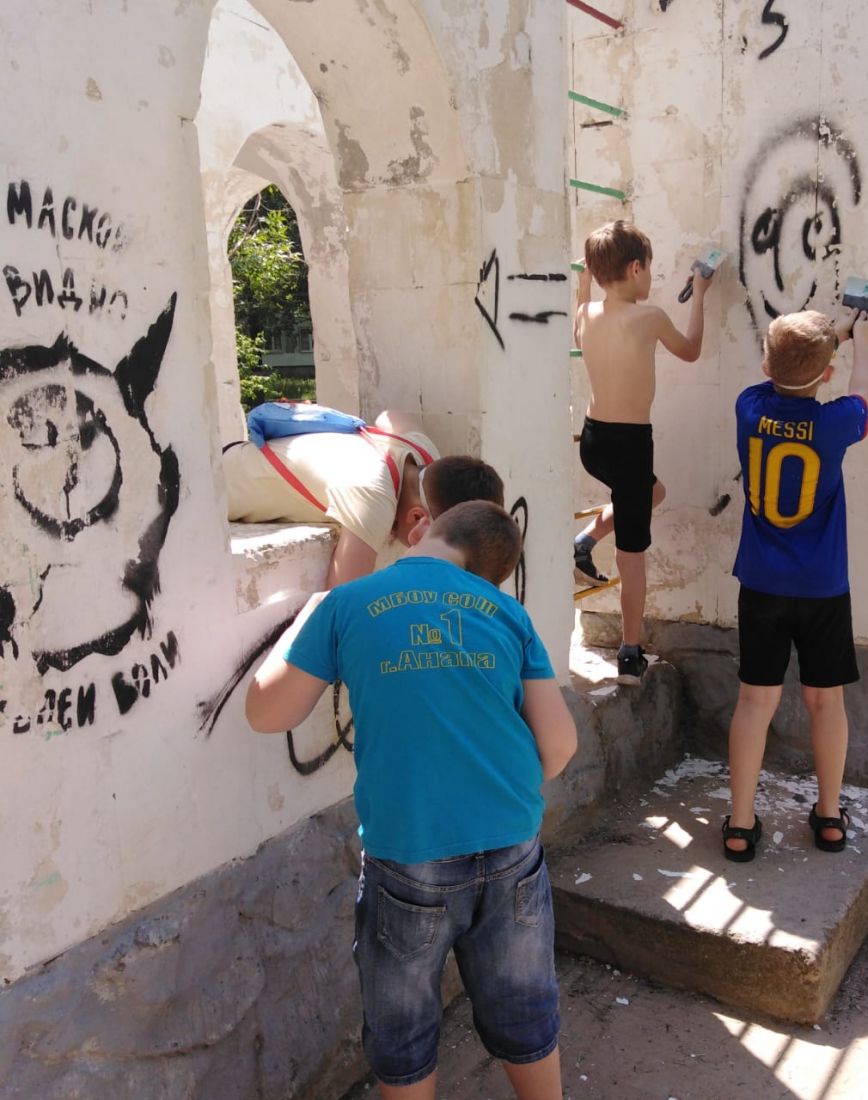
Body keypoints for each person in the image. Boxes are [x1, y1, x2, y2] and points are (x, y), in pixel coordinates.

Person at [245, 501, 577, 1100]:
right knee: (525, 1008)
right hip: (512, 844)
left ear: (425, 527)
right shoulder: (507, 611)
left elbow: (266, 713)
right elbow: (559, 747)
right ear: (485, 576)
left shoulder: (346, 604)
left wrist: (308, 616)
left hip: (409, 854)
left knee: (403, 1031)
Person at [723, 306, 868, 862]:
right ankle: (830, 815)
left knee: (754, 701)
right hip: (822, 587)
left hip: (762, 584)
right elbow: (864, 391)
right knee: (825, 700)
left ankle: (740, 824)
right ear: (827, 375)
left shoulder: (749, 407)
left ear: (766, 363)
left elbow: (786, 374)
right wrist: (856, 340)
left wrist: (820, 339)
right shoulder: (837, 421)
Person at [572, 220, 713, 683]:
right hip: (630, 446)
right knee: (633, 558)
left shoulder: (585, 315)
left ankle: (585, 541)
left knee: (653, 494)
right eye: (649, 269)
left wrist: (583, 283)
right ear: (635, 269)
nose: (650, 278)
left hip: (594, 441)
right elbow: (690, 351)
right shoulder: (649, 316)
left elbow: (580, 317)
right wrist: (702, 293)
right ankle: (630, 653)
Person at [223, 407, 503, 587]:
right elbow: (344, 601)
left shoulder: (423, 454)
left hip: (239, 453)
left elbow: (390, 414)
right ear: (417, 518)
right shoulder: (372, 498)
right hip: (216, 487)